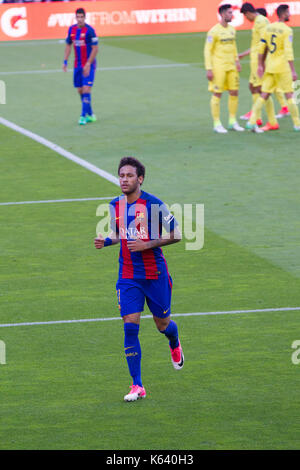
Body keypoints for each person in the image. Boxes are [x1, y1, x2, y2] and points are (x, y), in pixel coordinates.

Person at [94, 156, 184, 402]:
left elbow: (177, 234)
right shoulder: (115, 206)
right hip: (128, 276)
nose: (124, 180)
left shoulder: (155, 205)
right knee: (129, 326)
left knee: (162, 325)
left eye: (129, 176)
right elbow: (121, 234)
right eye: (121, 175)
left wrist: (148, 244)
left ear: (140, 179)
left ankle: (174, 341)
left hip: (154, 275)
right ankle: (137, 385)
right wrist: (108, 241)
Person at [246, 4, 300, 133]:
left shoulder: (269, 28)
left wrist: (260, 65)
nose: (289, 15)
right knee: (289, 95)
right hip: (282, 67)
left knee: (264, 94)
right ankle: (297, 124)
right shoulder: (287, 30)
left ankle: (251, 121)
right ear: (283, 14)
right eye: (288, 12)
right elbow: (288, 51)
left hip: (269, 66)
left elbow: (261, 47)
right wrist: (293, 70)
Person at [204, 4, 244, 134]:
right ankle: (217, 123)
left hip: (231, 66)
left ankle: (232, 121)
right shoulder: (213, 31)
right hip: (219, 67)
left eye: (231, 13)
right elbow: (207, 51)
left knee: (234, 92)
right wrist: (209, 69)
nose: (231, 15)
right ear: (222, 14)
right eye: (229, 13)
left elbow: (234, 46)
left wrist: (237, 61)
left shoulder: (232, 29)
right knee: (218, 94)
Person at [239, 3, 273, 127]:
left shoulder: (262, 22)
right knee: (253, 87)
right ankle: (258, 118)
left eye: (245, 16)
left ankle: (270, 120)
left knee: (262, 89)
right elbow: (257, 44)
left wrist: (261, 64)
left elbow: (267, 42)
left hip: (260, 61)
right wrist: (244, 54)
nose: (246, 19)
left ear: (248, 13)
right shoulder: (258, 21)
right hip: (255, 60)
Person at [63, 8, 98, 125]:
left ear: (85, 17)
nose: (80, 19)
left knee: (87, 88)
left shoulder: (90, 30)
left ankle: (83, 116)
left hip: (89, 64)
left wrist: (88, 64)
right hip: (77, 65)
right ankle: (91, 114)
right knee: (80, 90)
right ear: (75, 17)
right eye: (78, 17)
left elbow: (95, 49)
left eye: (82, 17)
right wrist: (65, 61)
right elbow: (68, 45)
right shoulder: (71, 30)